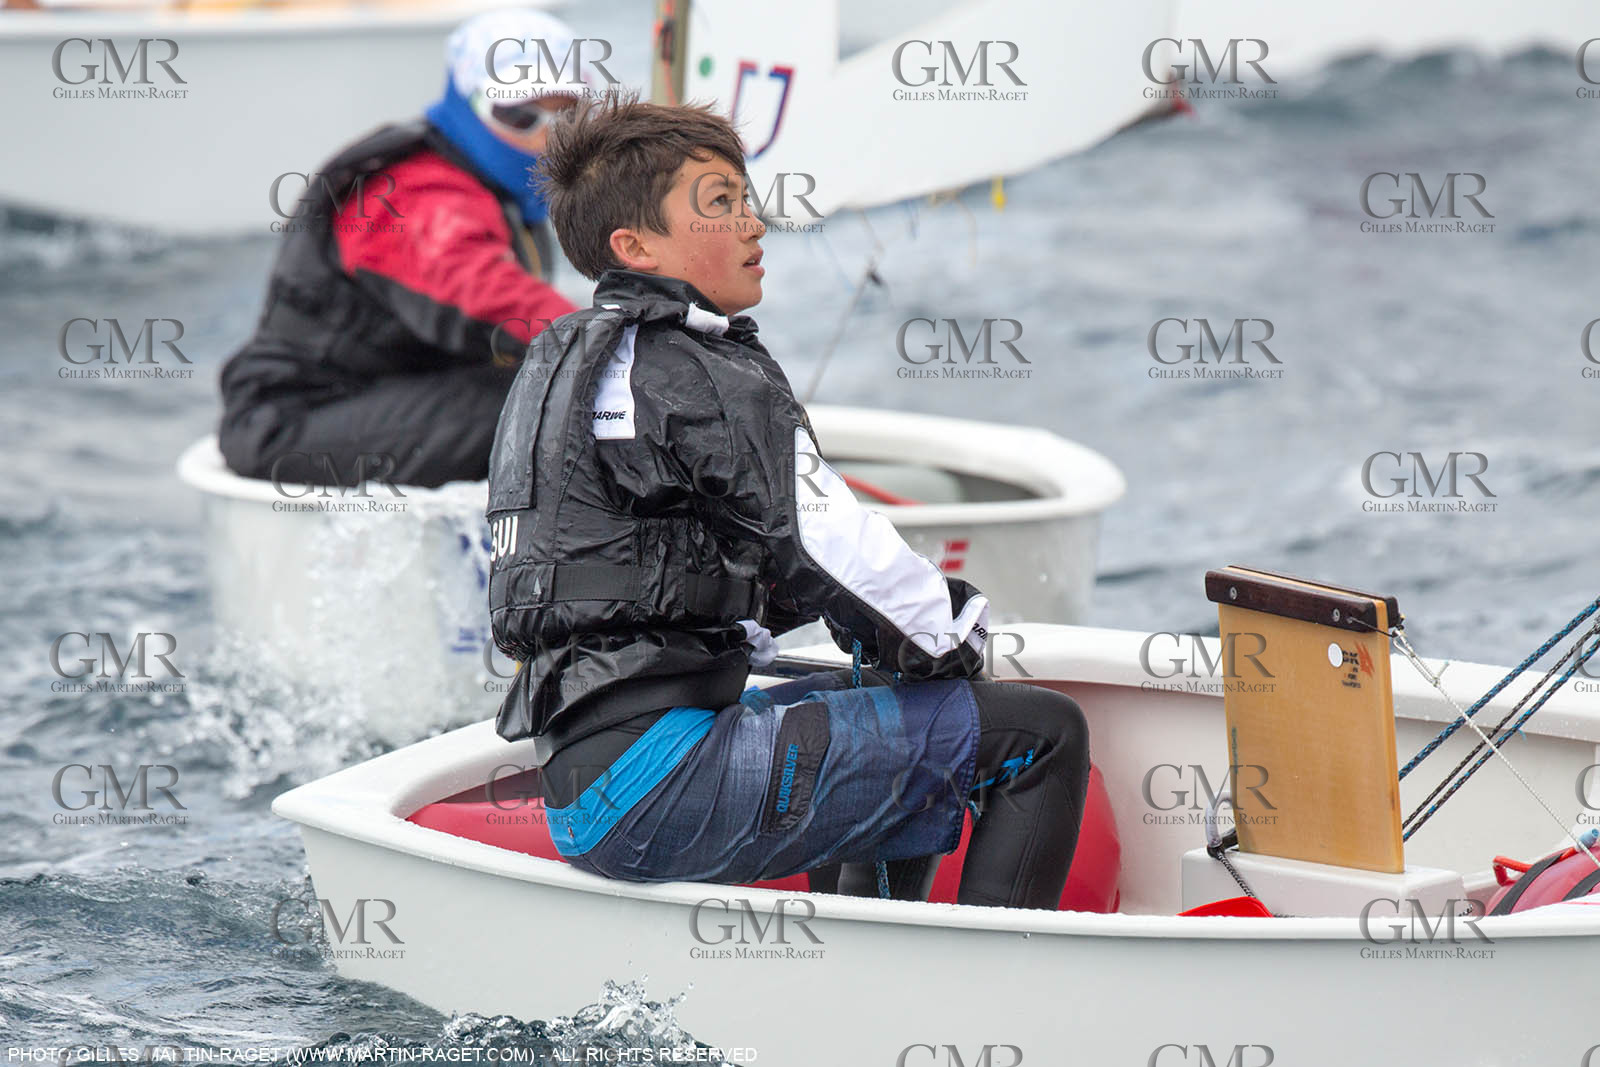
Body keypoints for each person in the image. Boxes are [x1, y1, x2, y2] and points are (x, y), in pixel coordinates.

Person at [486, 94, 1091, 909]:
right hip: (659, 785)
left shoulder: (569, 362)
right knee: (1043, 733)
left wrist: (882, 644)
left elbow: (658, 573)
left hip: (585, 783)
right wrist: (948, 637)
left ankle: (868, 957)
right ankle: (994, 995)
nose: (753, 223)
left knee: (888, 692)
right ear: (635, 245)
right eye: (720, 205)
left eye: (745, 197)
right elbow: (823, 543)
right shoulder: (693, 369)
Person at [218, 10, 585, 488]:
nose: (545, 137)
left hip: (387, 398)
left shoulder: (493, 190)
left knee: (545, 389)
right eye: (519, 115)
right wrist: (616, 353)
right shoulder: (413, 193)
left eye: (568, 117)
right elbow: (484, 291)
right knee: (543, 406)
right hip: (294, 420)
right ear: (467, 105)